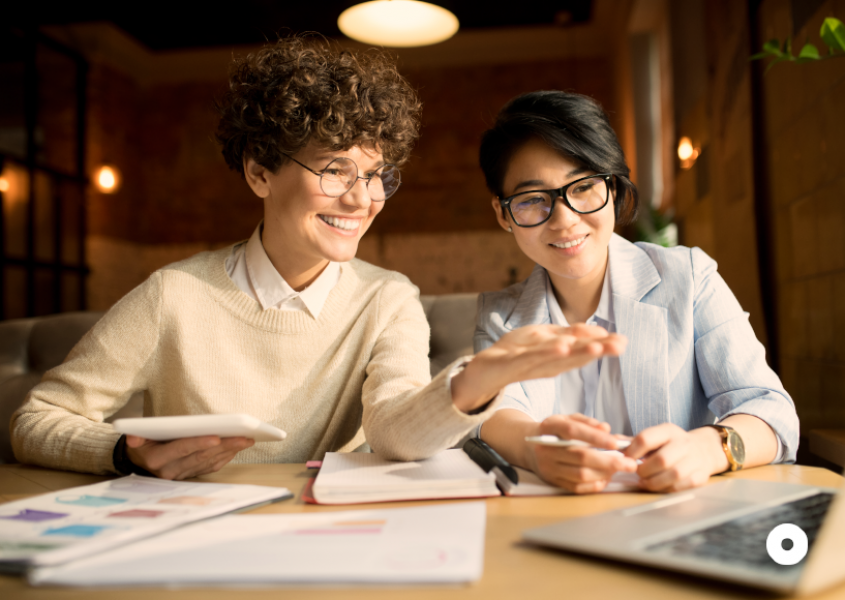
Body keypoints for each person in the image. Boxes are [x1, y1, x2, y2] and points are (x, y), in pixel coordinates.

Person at [11, 39, 625, 481]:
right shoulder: (173, 295)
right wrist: (127, 452)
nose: (363, 199)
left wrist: (471, 383)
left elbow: (393, 429)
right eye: (335, 170)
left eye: (377, 176)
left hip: (329, 537)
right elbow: (37, 420)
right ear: (260, 172)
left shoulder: (387, 298)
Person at [474, 90, 799, 494]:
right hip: (555, 525)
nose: (564, 219)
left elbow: (770, 408)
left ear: (612, 186)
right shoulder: (497, 316)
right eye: (532, 200)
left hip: (681, 519)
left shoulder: (689, 278)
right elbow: (494, 414)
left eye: (583, 187)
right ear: (504, 213)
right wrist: (535, 449)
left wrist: (709, 448)